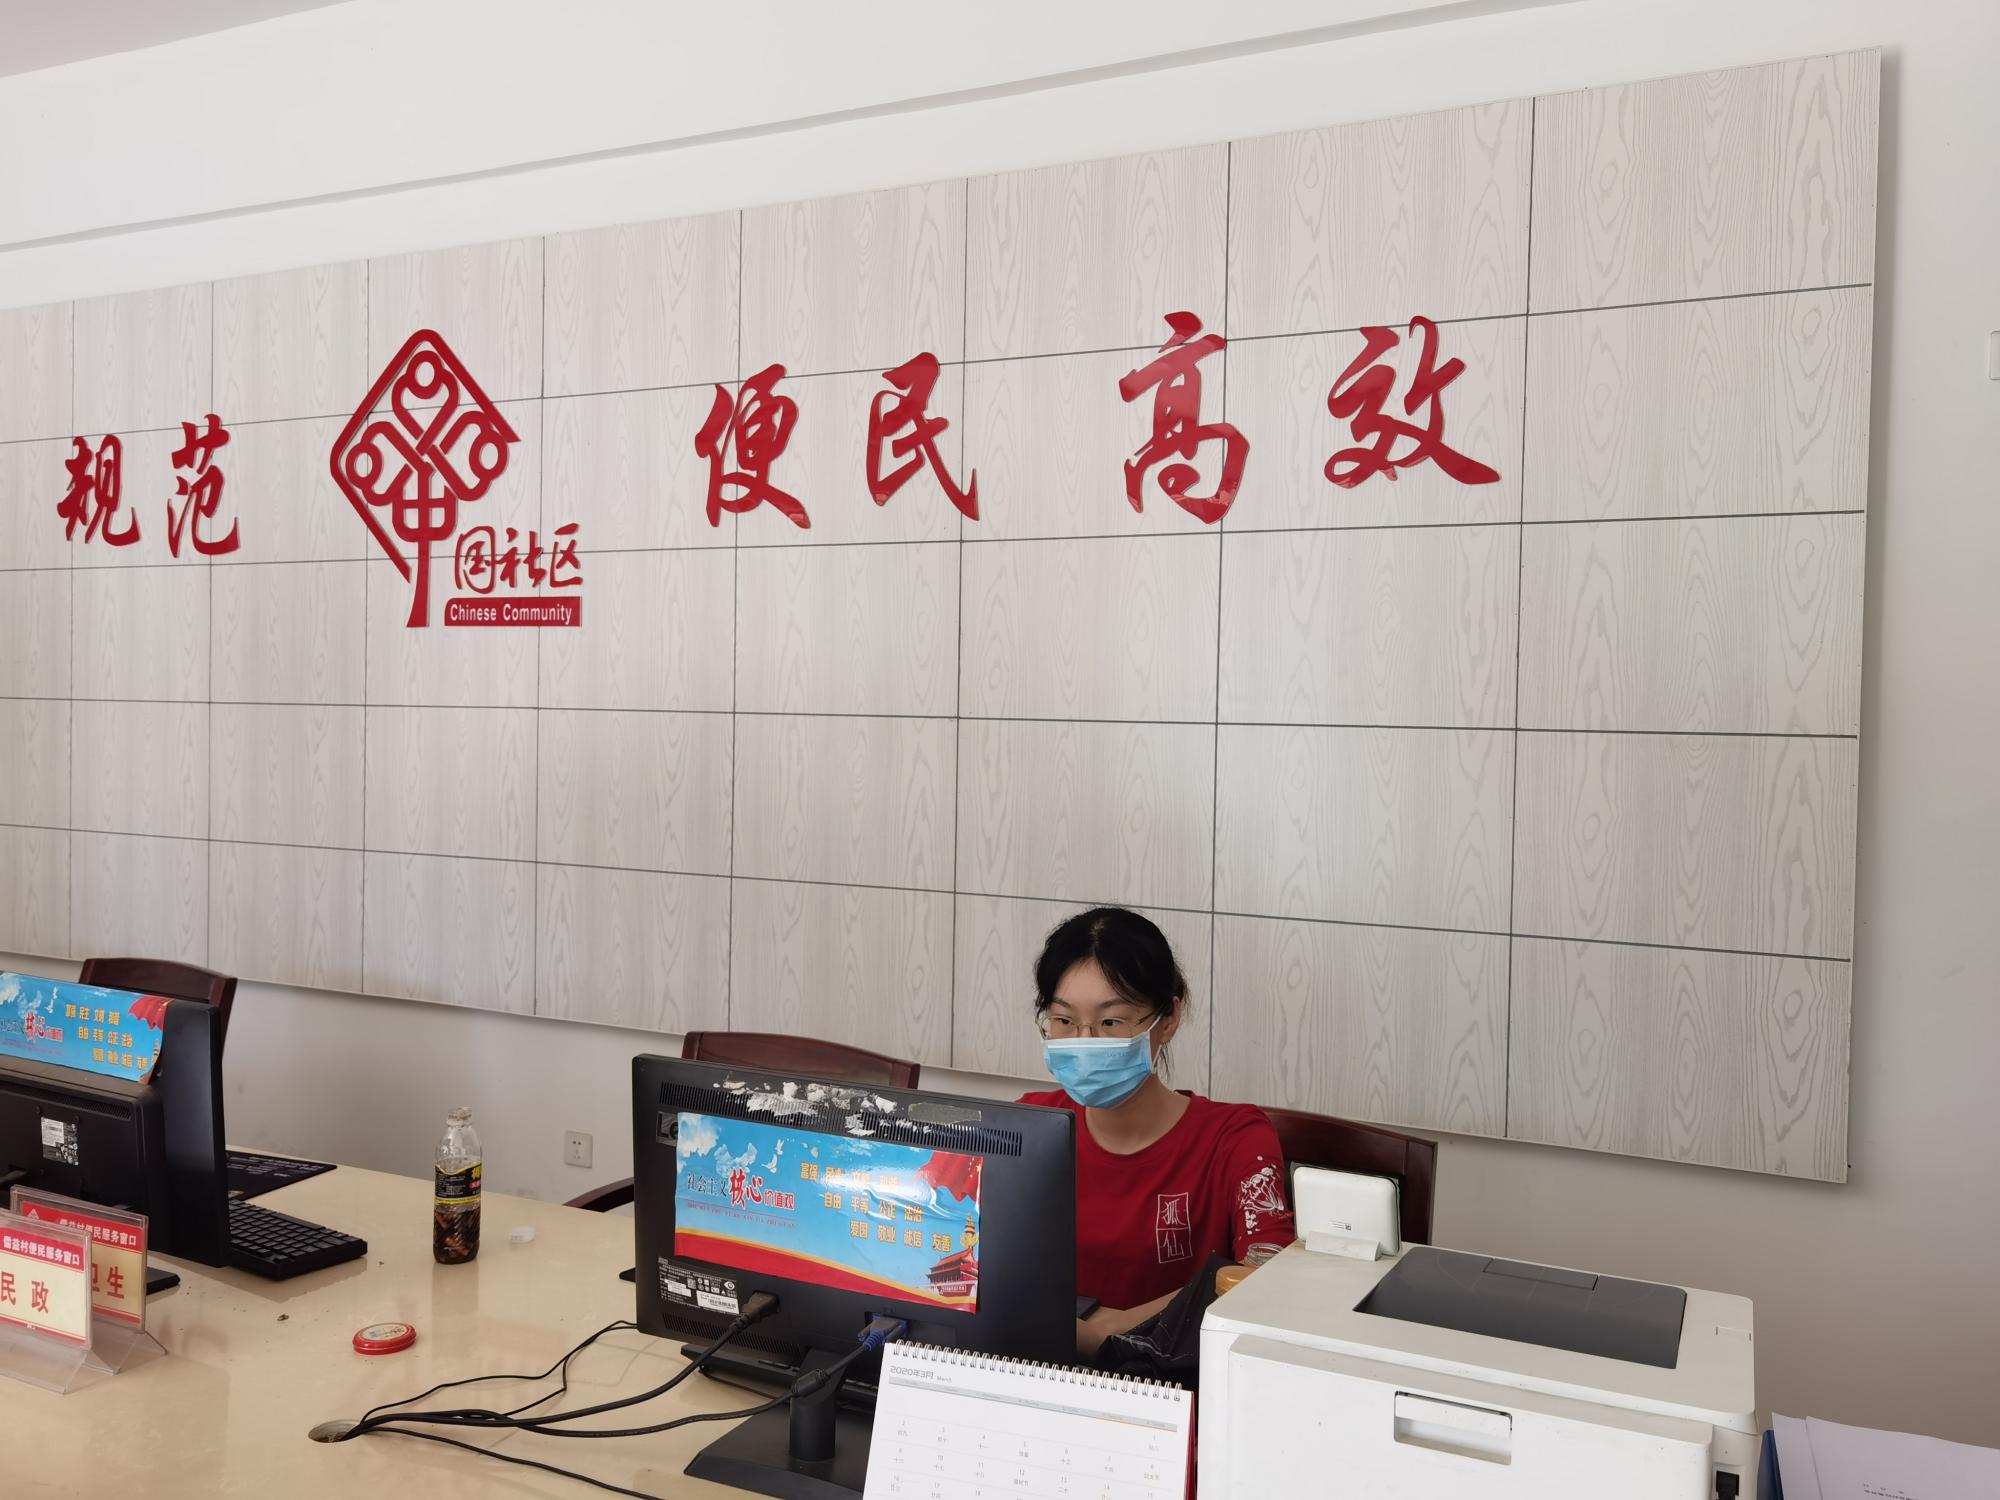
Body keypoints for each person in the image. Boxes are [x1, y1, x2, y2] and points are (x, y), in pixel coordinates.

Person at [1019, 907, 1297, 1357]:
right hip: (1036, 1374)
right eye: (1064, 1021)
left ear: (1167, 1020)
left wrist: (1114, 1330)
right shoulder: (1028, 1125)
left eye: (1110, 1022)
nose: (1085, 1042)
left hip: (1177, 1386)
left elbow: (1266, 1277)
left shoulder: (1236, 1139)